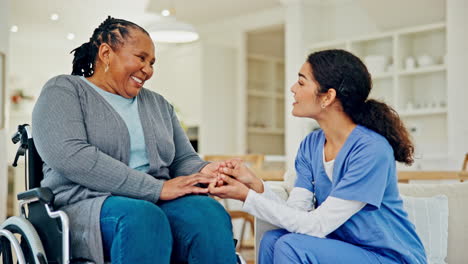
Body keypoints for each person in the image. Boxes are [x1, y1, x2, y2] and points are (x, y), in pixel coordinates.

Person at [32, 16, 237, 264]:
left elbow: (183, 159)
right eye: (141, 58)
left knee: (207, 213)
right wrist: (157, 188)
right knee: (142, 217)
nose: (148, 70)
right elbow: (71, 155)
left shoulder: (159, 104)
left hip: (157, 203)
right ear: (106, 53)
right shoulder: (64, 90)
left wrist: (206, 171)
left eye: (152, 63)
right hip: (88, 203)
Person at [209, 49, 427, 264]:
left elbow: (317, 225)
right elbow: (296, 214)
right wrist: (256, 186)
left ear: (328, 96)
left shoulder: (371, 150)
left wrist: (246, 197)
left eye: (301, 83)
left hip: (389, 257)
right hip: (344, 248)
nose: (293, 89)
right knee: (273, 240)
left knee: (290, 245)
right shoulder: (311, 145)